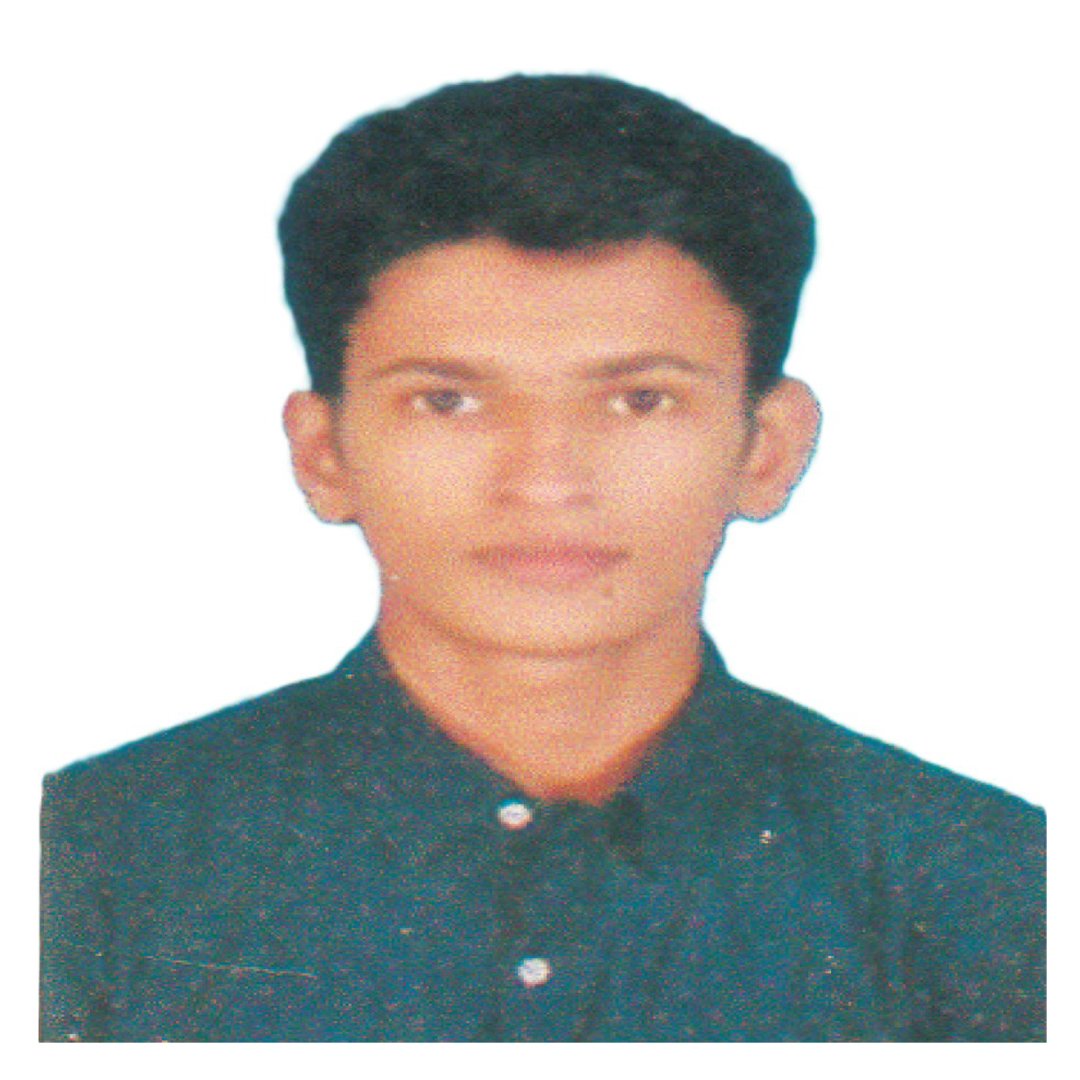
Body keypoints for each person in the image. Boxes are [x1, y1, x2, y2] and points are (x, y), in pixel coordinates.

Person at [40, 73, 1045, 1042]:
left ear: (768, 449)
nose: (546, 480)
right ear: (324, 453)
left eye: (640, 400)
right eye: (448, 400)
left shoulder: (995, 887)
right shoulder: (80, 867)